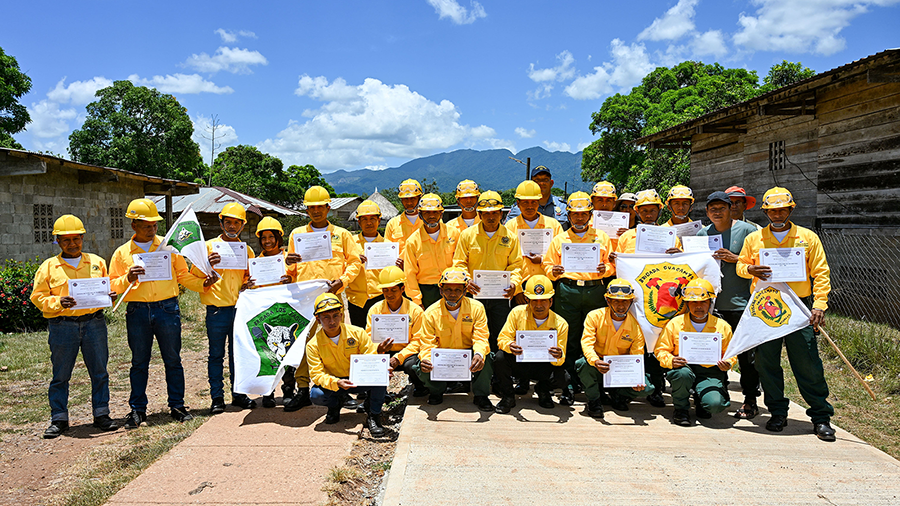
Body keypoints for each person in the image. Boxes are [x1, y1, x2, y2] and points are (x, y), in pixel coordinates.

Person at [737, 187, 836, 441]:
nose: (777, 214)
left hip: (799, 307)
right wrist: (750, 270)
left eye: (782, 209)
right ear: (765, 212)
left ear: (791, 209)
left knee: (807, 362)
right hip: (765, 306)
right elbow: (740, 265)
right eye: (772, 211)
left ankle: (821, 417)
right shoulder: (755, 239)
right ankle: (777, 412)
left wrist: (819, 305)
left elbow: (821, 272)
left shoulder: (807, 237)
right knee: (766, 362)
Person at [109, 199, 217, 428]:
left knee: (173, 359)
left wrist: (203, 283)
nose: (152, 229)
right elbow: (112, 286)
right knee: (139, 362)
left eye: (154, 225)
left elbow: (183, 275)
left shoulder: (168, 247)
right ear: (133, 225)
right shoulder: (122, 254)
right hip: (137, 311)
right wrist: (127, 278)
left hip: (167, 309)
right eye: (146, 225)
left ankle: (177, 405)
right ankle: (137, 410)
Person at [31, 215, 119, 438]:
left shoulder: (97, 262)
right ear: (58, 241)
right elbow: (37, 297)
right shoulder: (48, 267)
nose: (72, 244)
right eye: (66, 240)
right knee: (60, 375)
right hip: (63, 326)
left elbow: (107, 288)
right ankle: (59, 419)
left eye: (76, 239)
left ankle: (101, 414)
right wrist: (58, 302)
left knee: (99, 372)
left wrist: (110, 296)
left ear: (82, 238)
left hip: (94, 324)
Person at [284, 186, 363, 412]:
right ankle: (302, 389)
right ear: (306, 210)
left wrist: (343, 281)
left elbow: (355, 262)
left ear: (329, 208)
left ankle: (341, 390)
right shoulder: (297, 235)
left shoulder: (342, 234)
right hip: (305, 302)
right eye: (312, 207)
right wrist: (287, 263)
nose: (316, 211)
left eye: (320, 207)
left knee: (337, 344)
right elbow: (291, 273)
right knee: (304, 344)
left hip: (332, 299)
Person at [542, 191, 614, 404]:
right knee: (569, 338)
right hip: (568, 290)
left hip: (595, 290)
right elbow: (547, 264)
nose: (579, 218)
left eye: (583, 214)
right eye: (575, 214)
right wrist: (553, 271)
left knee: (597, 337)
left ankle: (596, 384)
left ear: (590, 215)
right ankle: (569, 384)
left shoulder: (601, 237)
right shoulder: (560, 239)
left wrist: (606, 269)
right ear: (569, 215)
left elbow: (612, 265)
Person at [611, 189, 678, 408]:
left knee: (657, 340)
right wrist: (614, 259)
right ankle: (625, 389)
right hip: (633, 298)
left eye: (652, 210)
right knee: (630, 340)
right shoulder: (626, 237)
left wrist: (677, 254)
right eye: (644, 210)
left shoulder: (671, 236)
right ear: (637, 212)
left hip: (659, 299)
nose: (648, 214)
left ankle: (656, 387)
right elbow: (618, 268)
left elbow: (681, 267)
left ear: (660, 211)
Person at [697, 191, 760, 419]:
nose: (717, 212)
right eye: (712, 209)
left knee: (746, 356)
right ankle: (716, 395)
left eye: (722, 208)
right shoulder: (703, 234)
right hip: (712, 305)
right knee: (713, 353)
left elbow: (759, 261)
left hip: (740, 303)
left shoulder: (747, 231)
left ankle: (750, 399)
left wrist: (736, 258)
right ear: (707, 212)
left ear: (730, 208)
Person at [195, 203, 258, 414]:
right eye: (228, 222)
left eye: (236, 223)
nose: (232, 226)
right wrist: (207, 265)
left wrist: (249, 284)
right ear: (221, 223)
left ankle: (238, 394)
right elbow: (194, 275)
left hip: (239, 310)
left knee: (237, 355)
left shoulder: (247, 251)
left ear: (242, 225)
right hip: (216, 311)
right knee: (216, 355)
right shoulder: (208, 248)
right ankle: (217, 397)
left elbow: (250, 277)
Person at [306, 293, 392, 436]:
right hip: (336, 383)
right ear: (318, 320)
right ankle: (335, 405)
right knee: (316, 394)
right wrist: (336, 382)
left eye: (335, 315)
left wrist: (381, 368)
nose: (332, 321)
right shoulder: (313, 345)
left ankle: (373, 414)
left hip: (358, 380)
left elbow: (371, 355)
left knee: (381, 378)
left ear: (341, 315)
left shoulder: (357, 333)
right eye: (326, 317)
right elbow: (316, 374)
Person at [654, 279, 736, 426]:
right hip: (684, 368)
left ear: (710, 303)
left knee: (715, 405)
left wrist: (728, 363)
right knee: (682, 374)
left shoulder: (722, 326)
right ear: (687, 303)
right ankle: (681, 409)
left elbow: (731, 353)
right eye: (693, 302)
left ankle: (702, 400)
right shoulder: (675, 324)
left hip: (710, 372)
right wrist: (671, 360)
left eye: (703, 302)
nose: (698, 306)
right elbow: (661, 350)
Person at [415, 268, 495, 411]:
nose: (453, 294)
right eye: (448, 289)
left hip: (468, 354)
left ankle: (481, 395)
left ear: (465, 291)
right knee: (422, 365)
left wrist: (479, 354)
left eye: (458, 290)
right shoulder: (430, 313)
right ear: (441, 291)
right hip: (442, 356)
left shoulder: (477, 308)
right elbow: (427, 343)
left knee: (486, 357)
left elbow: (481, 336)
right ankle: (436, 391)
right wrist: (426, 359)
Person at [453, 190, 523, 351]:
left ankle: (497, 364)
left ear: (501, 214)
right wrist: (466, 280)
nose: (491, 217)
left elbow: (516, 266)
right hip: (474, 295)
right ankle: (476, 364)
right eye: (486, 213)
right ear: (479, 214)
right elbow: (459, 263)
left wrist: (514, 283)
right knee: (473, 334)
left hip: (501, 297)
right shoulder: (467, 235)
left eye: (495, 213)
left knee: (500, 334)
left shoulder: (511, 238)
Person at [576, 279, 655, 419]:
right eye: (616, 301)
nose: (621, 306)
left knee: (647, 388)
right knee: (582, 364)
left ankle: (619, 395)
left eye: (625, 301)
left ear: (631, 302)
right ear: (608, 301)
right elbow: (587, 343)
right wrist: (595, 361)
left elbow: (636, 356)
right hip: (598, 365)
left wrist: (635, 377)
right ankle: (594, 401)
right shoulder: (594, 317)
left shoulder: (636, 326)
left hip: (621, 370)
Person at [493, 275, 568, 414]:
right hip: (520, 363)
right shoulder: (516, 313)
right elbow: (502, 338)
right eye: (534, 301)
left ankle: (543, 390)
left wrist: (558, 355)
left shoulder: (561, 324)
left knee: (564, 378)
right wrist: (510, 345)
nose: (539, 305)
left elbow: (561, 359)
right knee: (499, 358)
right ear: (527, 300)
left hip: (543, 366)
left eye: (543, 300)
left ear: (551, 301)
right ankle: (508, 396)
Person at [247, 216, 295, 408]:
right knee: (267, 354)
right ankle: (268, 391)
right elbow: (249, 288)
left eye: (271, 237)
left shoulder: (289, 259)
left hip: (286, 313)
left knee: (288, 352)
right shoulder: (254, 263)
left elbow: (300, 280)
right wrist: (249, 285)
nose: (267, 241)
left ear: (278, 238)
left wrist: (291, 279)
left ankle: (289, 390)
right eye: (263, 237)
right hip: (265, 315)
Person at [365, 266, 428, 397]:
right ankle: (373, 392)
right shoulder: (375, 310)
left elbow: (418, 340)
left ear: (402, 289)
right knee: (367, 359)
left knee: (412, 365)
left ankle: (420, 386)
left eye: (393, 290)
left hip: (407, 353)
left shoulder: (415, 311)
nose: (389, 294)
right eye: (385, 290)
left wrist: (398, 358)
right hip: (383, 351)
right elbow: (368, 337)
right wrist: (378, 348)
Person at [504, 180, 564, 303]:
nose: (530, 206)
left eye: (534, 202)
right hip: (520, 285)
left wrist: (542, 259)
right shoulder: (509, 227)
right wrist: (517, 290)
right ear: (518, 203)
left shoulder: (553, 225)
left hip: (548, 283)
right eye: (525, 202)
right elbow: (505, 260)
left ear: (539, 202)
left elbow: (562, 256)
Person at [403, 193, 460, 310]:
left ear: (441, 214)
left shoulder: (454, 234)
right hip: (427, 292)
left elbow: (460, 262)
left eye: (435, 212)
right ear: (420, 215)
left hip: (452, 287)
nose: (431, 216)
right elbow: (410, 274)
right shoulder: (413, 241)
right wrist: (417, 301)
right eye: (427, 212)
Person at [346, 200, 387, 327]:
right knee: (359, 335)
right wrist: (353, 259)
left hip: (380, 298)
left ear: (379, 220)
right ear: (359, 222)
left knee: (378, 335)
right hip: (356, 300)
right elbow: (341, 266)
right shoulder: (349, 243)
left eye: (372, 219)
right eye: (364, 219)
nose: (369, 223)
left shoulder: (388, 245)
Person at [504, 165, 568, 225]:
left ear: (551, 183)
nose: (541, 183)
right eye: (537, 180)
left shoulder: (563, 206)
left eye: (545, 180)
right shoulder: (518, 208)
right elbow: (507, 230)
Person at [383, 178, 423, 260]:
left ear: (420, 198)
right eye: (405, 199)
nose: (409, 203)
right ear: (401, 199)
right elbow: (387, 251)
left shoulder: (430, 222)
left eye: (413, 198)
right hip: (399, 268)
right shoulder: (392, 224)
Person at [591, 181, 627, 251]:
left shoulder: (622, 223)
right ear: (592, 201)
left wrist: (628, 236)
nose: (604, 204)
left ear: (614, 203)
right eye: (600, 200)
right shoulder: (585, 224)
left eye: (608, 200)